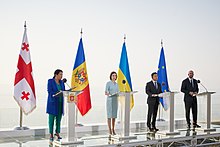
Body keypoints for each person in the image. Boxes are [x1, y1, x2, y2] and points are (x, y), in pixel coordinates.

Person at [46, 69, 65, 141]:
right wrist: (57, 93)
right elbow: (49, 91)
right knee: (51, 119)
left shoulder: (62, 82)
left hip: (60, 103)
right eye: (60, 74)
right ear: (56, 75)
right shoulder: (50, 81)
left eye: (62, 74)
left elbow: (63, 91)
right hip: (53, 103)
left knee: (58, 119)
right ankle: (51, 134)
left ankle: (57, 133)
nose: (61, 76)